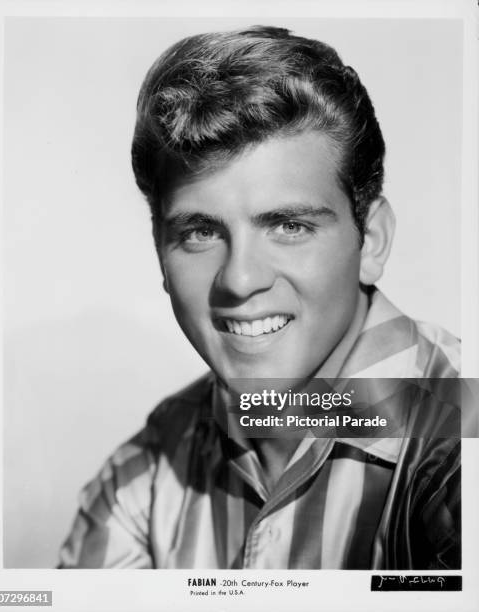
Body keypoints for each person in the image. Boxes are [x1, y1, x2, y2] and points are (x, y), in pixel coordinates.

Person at [58, 26, 460, 569]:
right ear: (159, 255)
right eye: (199, 233)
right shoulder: (147, 472)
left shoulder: (460, 442)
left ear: (374, 240)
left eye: (289, 226)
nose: (240, 279)